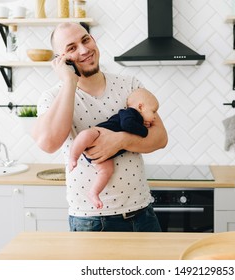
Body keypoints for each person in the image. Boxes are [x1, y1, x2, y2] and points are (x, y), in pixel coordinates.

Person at [32, 22, 168, 232]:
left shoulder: (129, 85)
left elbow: (160, 138)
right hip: (91, 220)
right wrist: (70, 82)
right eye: (71, 48)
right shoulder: (52, 97)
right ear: (61, 60)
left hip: (143, 212)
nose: (84, 50)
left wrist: (121, 140)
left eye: (86, 40)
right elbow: (49, 143)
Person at [68, 88, 159, 209]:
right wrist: (144, 130)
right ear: (141, 107)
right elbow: (127, 125)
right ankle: (73, 157)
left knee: (106, 171)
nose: (155, 117)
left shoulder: (137, 119)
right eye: (153, 111)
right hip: (98, 134)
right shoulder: (129, 113)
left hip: (103, 155)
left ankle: (94, 193)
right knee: (85, 134)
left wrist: (143, 124)